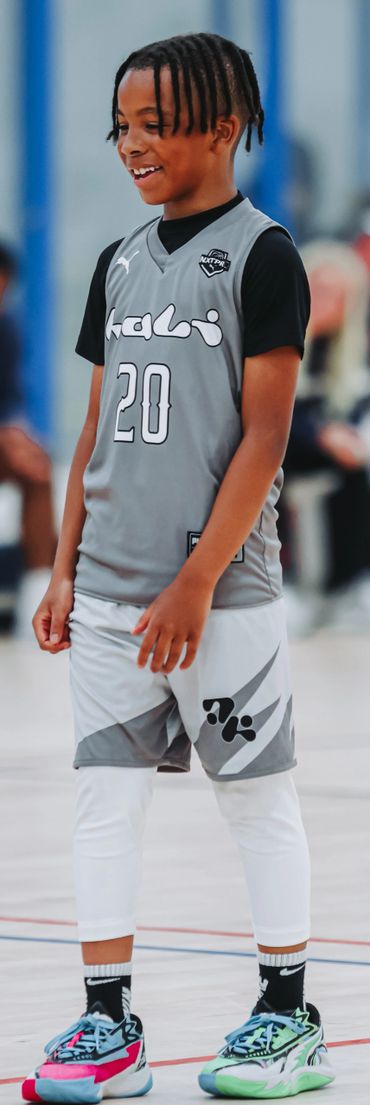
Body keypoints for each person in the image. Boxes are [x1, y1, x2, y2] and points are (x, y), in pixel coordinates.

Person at [24, 33, 335, 1102]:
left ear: (220, 122)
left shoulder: (263, 255)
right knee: (103, 805)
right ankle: (107, 1024)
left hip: (219, 598)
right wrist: (61, 569)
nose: (131, 144)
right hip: (108, 592)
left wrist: (195, 580)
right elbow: (97, 431)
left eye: (153, 123)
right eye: (120, 125)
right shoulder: (118, 263)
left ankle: (286, 1011)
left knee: (257, 801)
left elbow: (263, 439)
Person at [282, 239, 370, 631]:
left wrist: (341, 439)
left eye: (335, 293)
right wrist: (322, 436)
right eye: (318, 289)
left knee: (349, 472)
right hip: (282, 458)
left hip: (336, 468)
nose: (325, 300)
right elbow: (271, 415)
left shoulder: (353, 353)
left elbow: (353, 411)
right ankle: (296, 585)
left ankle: (348, 585)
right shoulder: (280, 343)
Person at [0, 242, 57, 633]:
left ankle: (39, 588)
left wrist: (18, 436)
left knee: (38, 468)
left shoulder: (8, 327)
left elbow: (12, 398)